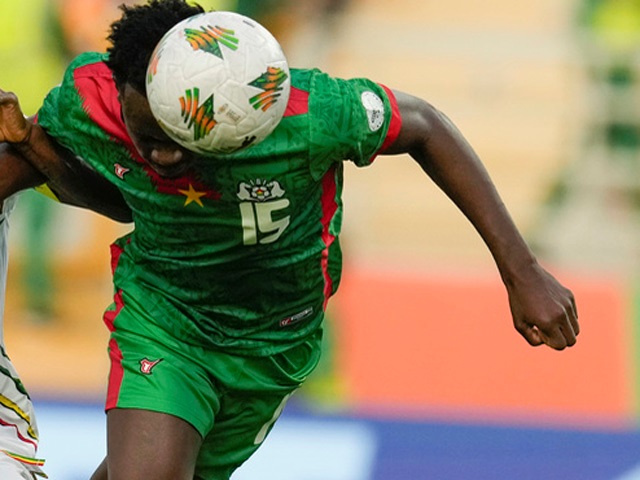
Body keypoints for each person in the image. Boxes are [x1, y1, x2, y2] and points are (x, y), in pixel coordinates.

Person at [0, 0, 579, 479]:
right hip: (165, 320)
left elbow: (424, 126)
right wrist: (32, 144)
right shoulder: (88, 100)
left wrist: (521, 271)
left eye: (179, 141)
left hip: (273, 343)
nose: (164, 157)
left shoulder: (308, 115)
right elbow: (118, 195)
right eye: (147, 136)